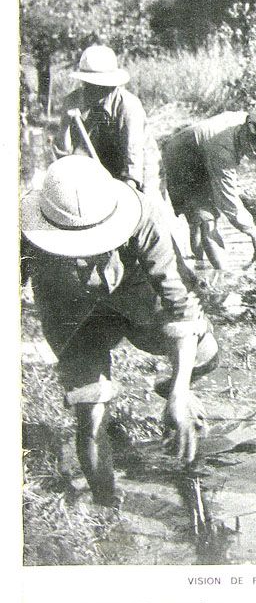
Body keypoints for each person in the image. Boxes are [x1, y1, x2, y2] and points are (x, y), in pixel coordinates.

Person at [21, 156, 219, 508]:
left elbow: (182, 304)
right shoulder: (23, 232)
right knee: (91, 416)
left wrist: (179, 390)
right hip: (74, 317)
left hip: (138, 301)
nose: (86, 260)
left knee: (205, 354)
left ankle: (173, 389)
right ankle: (106, 505)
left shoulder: (143, 217)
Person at [161, 110, 256, 272]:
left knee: (200, 220)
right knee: (205, 219)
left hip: (199, 151)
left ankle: (200, 264)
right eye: (254, 150)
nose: (254, 154)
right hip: (182, 160)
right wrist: (255, 234)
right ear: (245, 136)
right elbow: (229, 202)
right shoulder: (222, 151)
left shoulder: (245, 121)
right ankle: (222, 275)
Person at [55, 44, 161, 194]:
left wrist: (128, 191)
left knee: (145, 206)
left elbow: (133, 159)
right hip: (102, 161)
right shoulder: (73, 101)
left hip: (140, 166)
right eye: (89, 84)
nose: (93, 90)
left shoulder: (128, 106)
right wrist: (66, 123)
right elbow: (65, 157)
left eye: (99, 85)